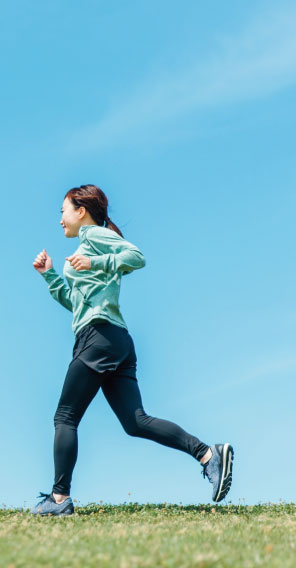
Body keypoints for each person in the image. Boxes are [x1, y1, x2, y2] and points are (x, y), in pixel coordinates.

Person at [30, 185, 233, 516]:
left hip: (98, 337)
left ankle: (58, 499)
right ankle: (209, 455)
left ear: (81, 211)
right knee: (135, 422)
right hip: (114, 339)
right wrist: (50, 275)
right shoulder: (86, 246)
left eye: (63, 211)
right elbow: (76, 302)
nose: (60, 220)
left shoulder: (95, 237)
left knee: (65, 417)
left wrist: (97, 261)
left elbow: (136, 257)